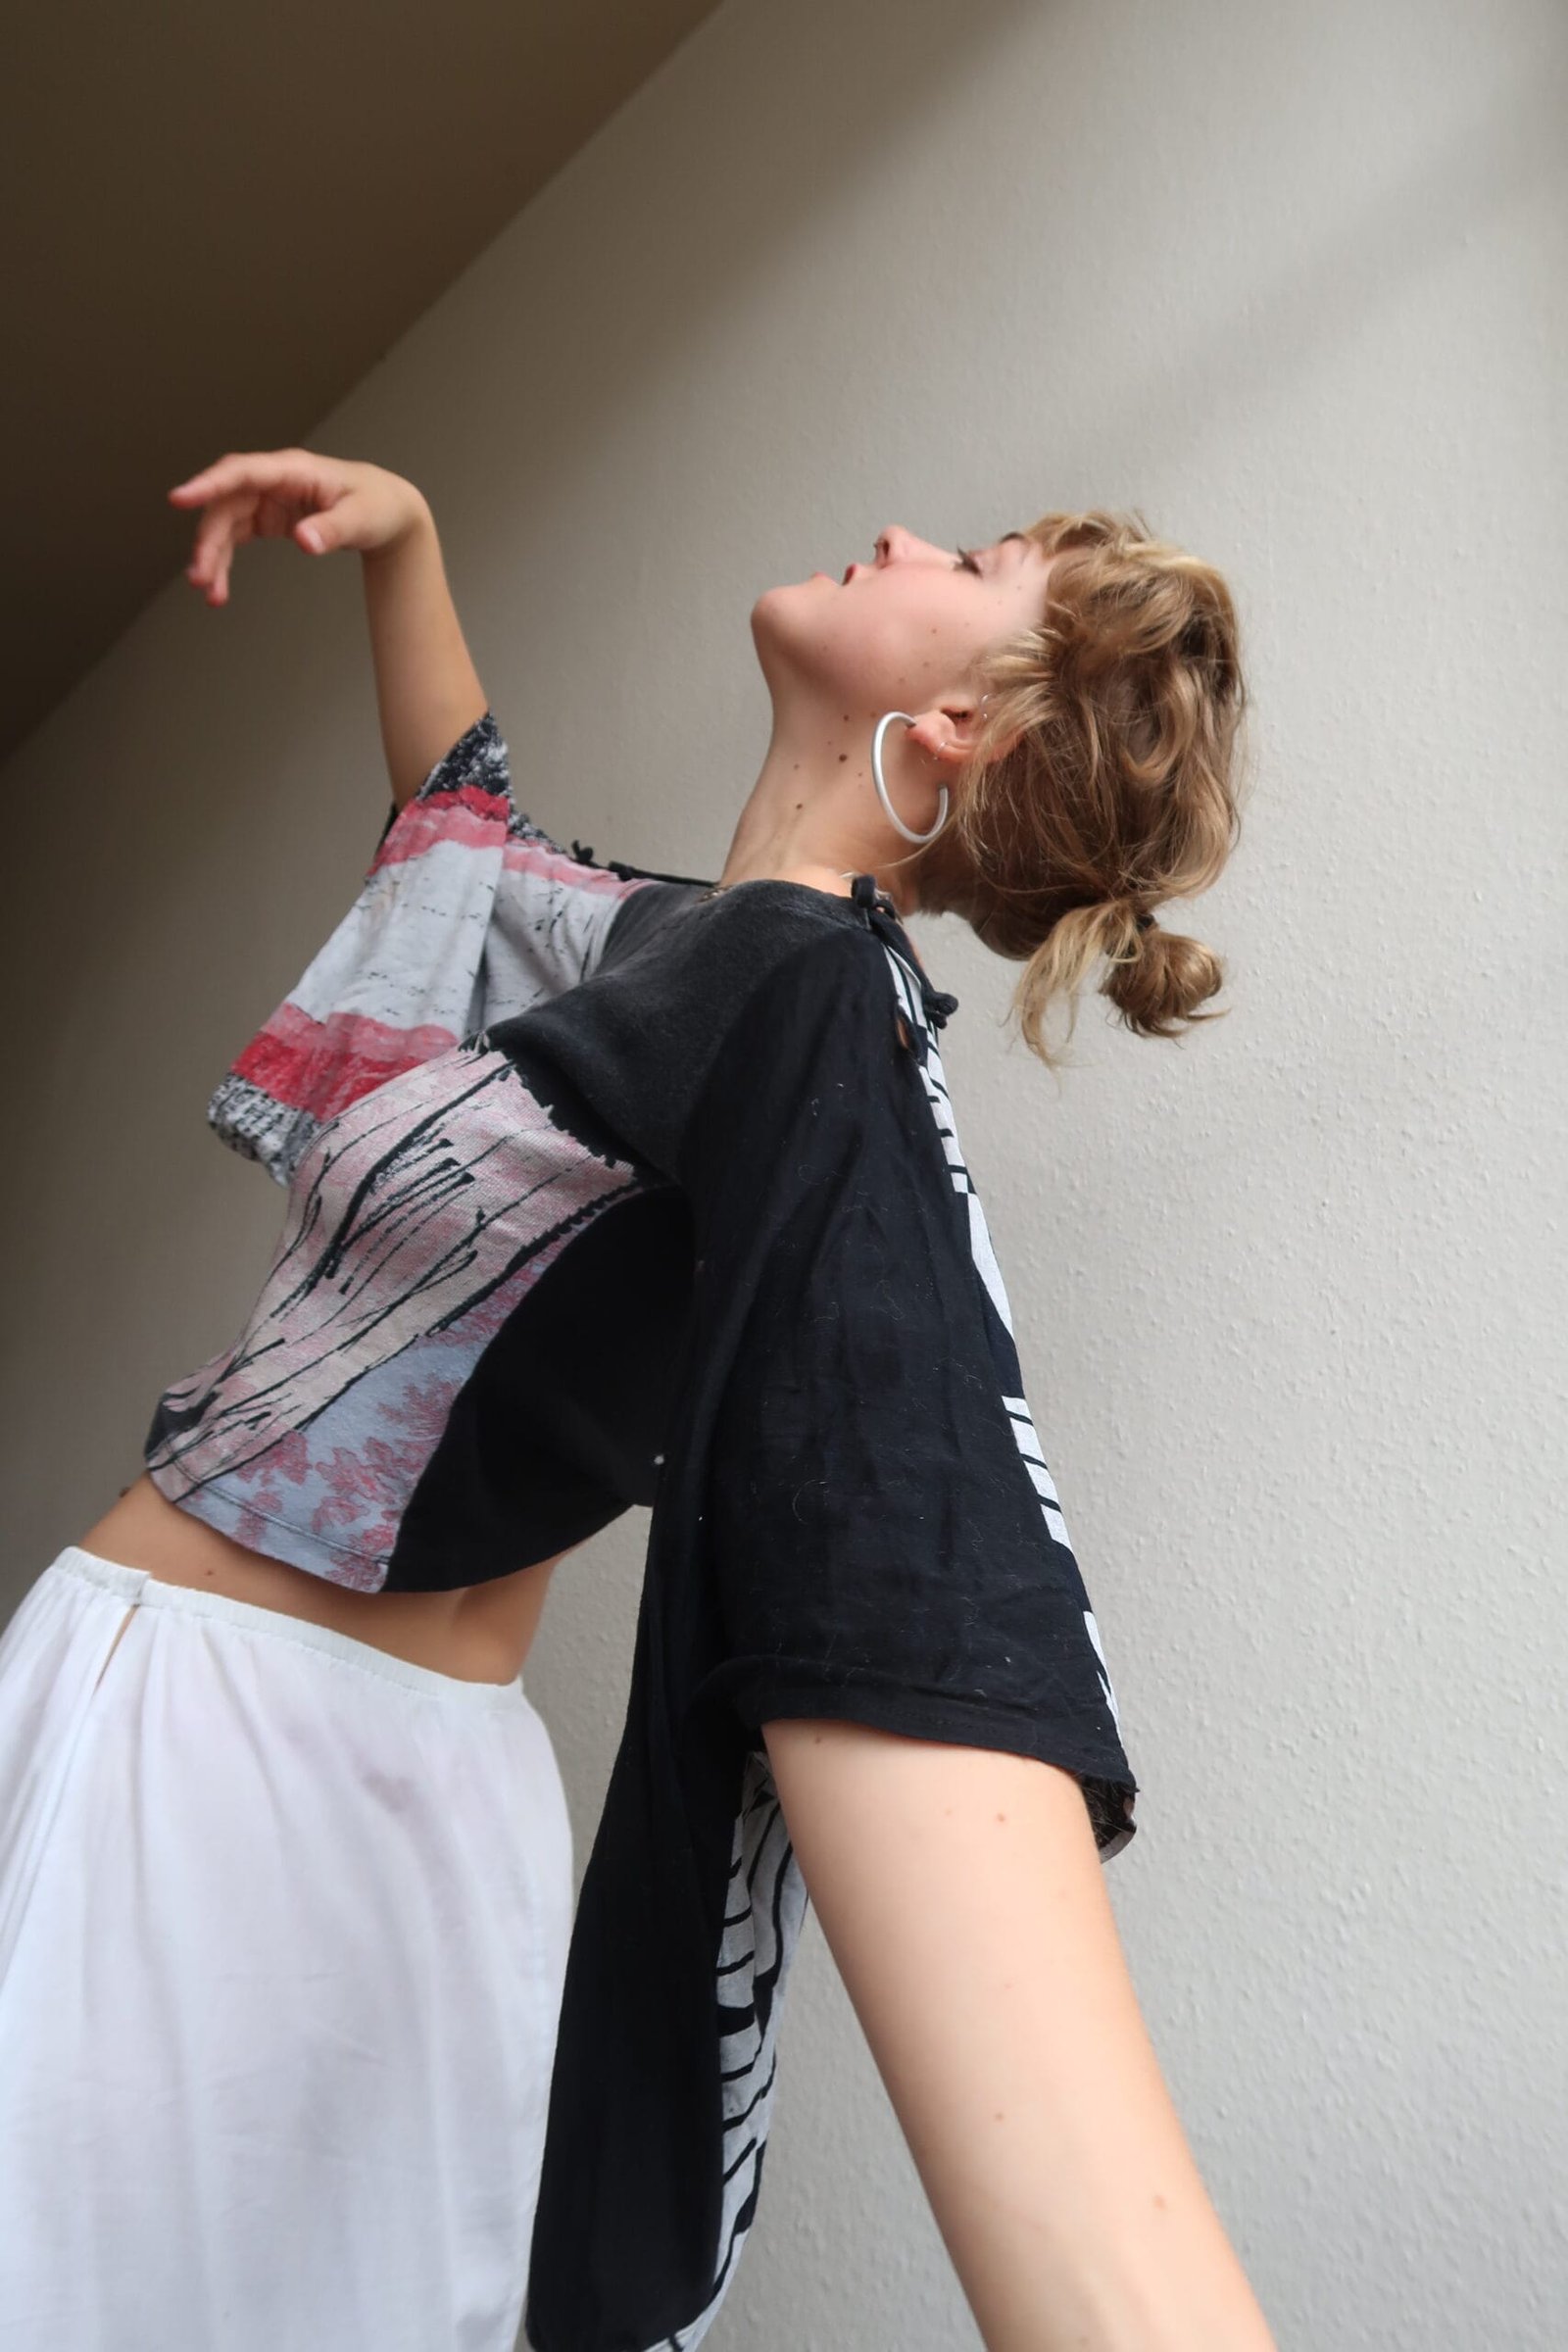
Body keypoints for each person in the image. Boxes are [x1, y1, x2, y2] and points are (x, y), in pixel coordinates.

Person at [0, 448, 1275, 2352]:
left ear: (954, 728)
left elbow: (911, 1527)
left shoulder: (806, 998)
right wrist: (407, 536)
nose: (903, 532)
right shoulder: (674, 948)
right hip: (267, 1747)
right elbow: (459, 829)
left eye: (970, 559)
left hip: (255, 1763)